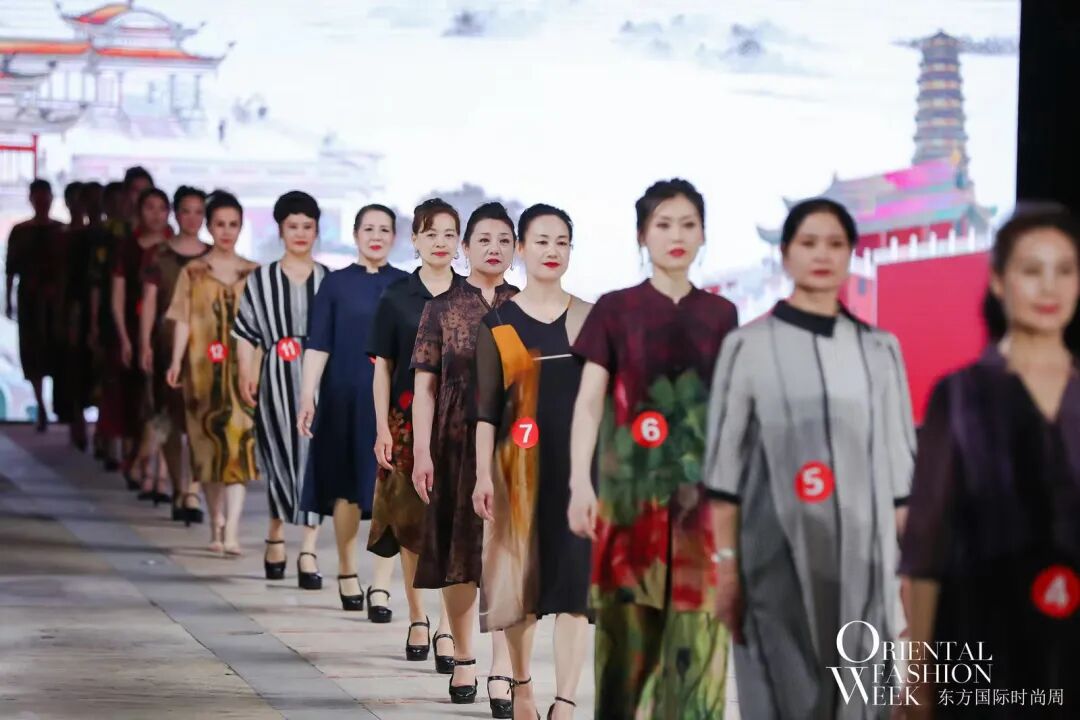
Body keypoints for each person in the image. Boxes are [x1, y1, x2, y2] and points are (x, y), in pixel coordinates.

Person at [703, 198, 915, 720]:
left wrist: (912, 582)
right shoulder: (747, 347)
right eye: (809, 243)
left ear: (851, 255)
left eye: (836, 244)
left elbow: (901, 478)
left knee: (862, 702)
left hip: (865, 569)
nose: (822, 255)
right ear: (785, 254)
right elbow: (725, 476)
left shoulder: (881, 350)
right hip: (771, 566)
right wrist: (726, 569)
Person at [568, 179, 738, 719]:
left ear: (704, 234)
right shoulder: (615, 310)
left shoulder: (721, 315)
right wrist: (579, 484)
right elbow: (589, 404)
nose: (676, 236)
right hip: (628, 508)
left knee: (698, 660)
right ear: (642, 235)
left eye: (689, 225)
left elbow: (732, 414)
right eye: (663, 225)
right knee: (625, 658)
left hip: (701, 513)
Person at [900, 208, 1080, 719]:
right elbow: (926, 547)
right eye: (1032, 270)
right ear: (999, 282)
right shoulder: (960, 396)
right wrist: (919, 677)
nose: (1049, 286)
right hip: (983, 646)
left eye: (1065, 270)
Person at [471, 204, 593, 720]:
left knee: (575, 590)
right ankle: (522, 687)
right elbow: (485, 412)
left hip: (577, 474)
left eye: (561, 242)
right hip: (515, 473)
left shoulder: (590, 319)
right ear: (521, 248)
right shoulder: (498, 323)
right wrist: (482, 475)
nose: (552, 251)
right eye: (541, 241)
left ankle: (565, 701)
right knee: (519, 588)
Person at [411, 202, 518, 714]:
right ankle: (465, 656)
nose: (494, 249)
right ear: (465, 247)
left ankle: (504, 665)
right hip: (453, 445)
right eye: (484, 240)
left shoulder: (526, 308)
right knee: (459, 556)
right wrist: (420, 452)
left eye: (504, 240)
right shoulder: (441, 307)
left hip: (514, 447)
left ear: (515, 249)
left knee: (507, 556)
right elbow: (425, 388)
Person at [295, 200, 407, 605]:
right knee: (345, 490)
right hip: (343, 398)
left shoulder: (405, 285)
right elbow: (319, 344)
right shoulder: (336, 284)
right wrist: (307, 395)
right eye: (369, 229)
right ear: (356, 235)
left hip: (393, 404)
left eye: (384, 230)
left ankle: (382, 585)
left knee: (389, 492)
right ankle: (346, 570)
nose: (376, 237)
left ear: (395, 237)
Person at [366, 199, 458, 665]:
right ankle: (418, 616)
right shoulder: (396, 297)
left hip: (458, 424)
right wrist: (381, 427)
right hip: (403, 424)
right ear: (415, 240)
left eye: (449, 234)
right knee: (408, 523)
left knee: (453, 528)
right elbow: (382, 368)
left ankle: (448, 626)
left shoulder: (472, 297)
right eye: (431, 233)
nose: (441, 242)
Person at [236, 191, 329, 589]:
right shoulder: (261, 279)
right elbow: (245, 331)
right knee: (276, 454)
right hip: (275, 374)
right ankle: (275, 532)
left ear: (317, 230)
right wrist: (246, 371)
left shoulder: (329, 280)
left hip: (321, 377)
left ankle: (308, 547)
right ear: (280, 230)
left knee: (315, 458)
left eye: (308, 226)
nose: (300, 233)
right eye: (293, 226)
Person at [166, 190, 257, 555]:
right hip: (202, 372)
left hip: (244, 374)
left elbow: (261, 327)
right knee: (206, 447)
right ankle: (216, 521)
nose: (226, 231)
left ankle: (231, 529)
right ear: (209, 226)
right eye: (220, 224)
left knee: (239, 447)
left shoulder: (254, 274)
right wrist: (176, 361)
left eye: (233, 224)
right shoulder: (193, 271)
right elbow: (183, 319)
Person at [139, 186, 210, 523]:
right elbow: (149, 301)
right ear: (176, 214)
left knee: (199, 420)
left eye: (199, 212)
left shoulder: (212, 255)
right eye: (186, 211)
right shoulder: (161, 254)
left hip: (205, 349)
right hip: (167, 345)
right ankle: (179, 488)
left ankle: (192, 490)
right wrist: (143, 343)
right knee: (168, 419)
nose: (192, 218)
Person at [112, 188, 171, 501]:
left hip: (171, 334)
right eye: (150, 207)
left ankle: (156, 473)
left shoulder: (174, 245)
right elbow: (118, 296)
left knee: (165, 404)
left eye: (162, 208)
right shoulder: (129, 247)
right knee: (144, 404)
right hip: (140, 332)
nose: (156, 214)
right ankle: (141, 464)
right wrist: (126, 337)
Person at [5, 179, 64, 431]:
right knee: (33, 353)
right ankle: (41, 405)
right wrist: (9, 300)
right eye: (38, 197)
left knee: (57, 351)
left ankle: (57, 406)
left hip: (57, 301)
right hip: (30, 298)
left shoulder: (61, 230)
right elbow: (11, 269)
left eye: (45, 197)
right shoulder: (21, 231)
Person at [92, 181, 128, 468]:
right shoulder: (101, 237)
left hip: (139, 319)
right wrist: (92, 323)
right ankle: (109, 440)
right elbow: (93, 284)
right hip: (109, 318)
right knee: (110, 381)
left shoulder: (149, 238)